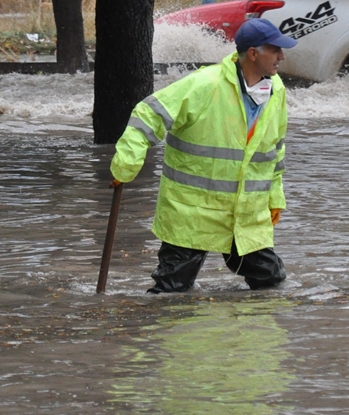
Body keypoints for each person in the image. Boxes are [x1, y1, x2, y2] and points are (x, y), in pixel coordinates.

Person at [110, 18, 297, 293]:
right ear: (254, 54)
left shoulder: (276, 91)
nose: (282, 56)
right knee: (171, 291)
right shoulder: (204, 85)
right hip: (192, 213)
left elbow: (274, 151)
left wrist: (274, 198)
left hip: (244, 216)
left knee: (271, 283)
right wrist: (126, 163)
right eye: (275, 49)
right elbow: (148, 114)